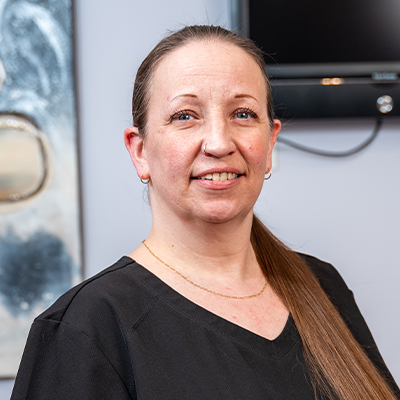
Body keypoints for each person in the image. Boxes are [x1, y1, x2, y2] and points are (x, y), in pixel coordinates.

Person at [11, 25, 399, 400]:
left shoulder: (323, 286)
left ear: (269, 142)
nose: (218, 143)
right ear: (140, 151)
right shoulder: (85, 328)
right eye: (185, 116)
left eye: (243, 114)